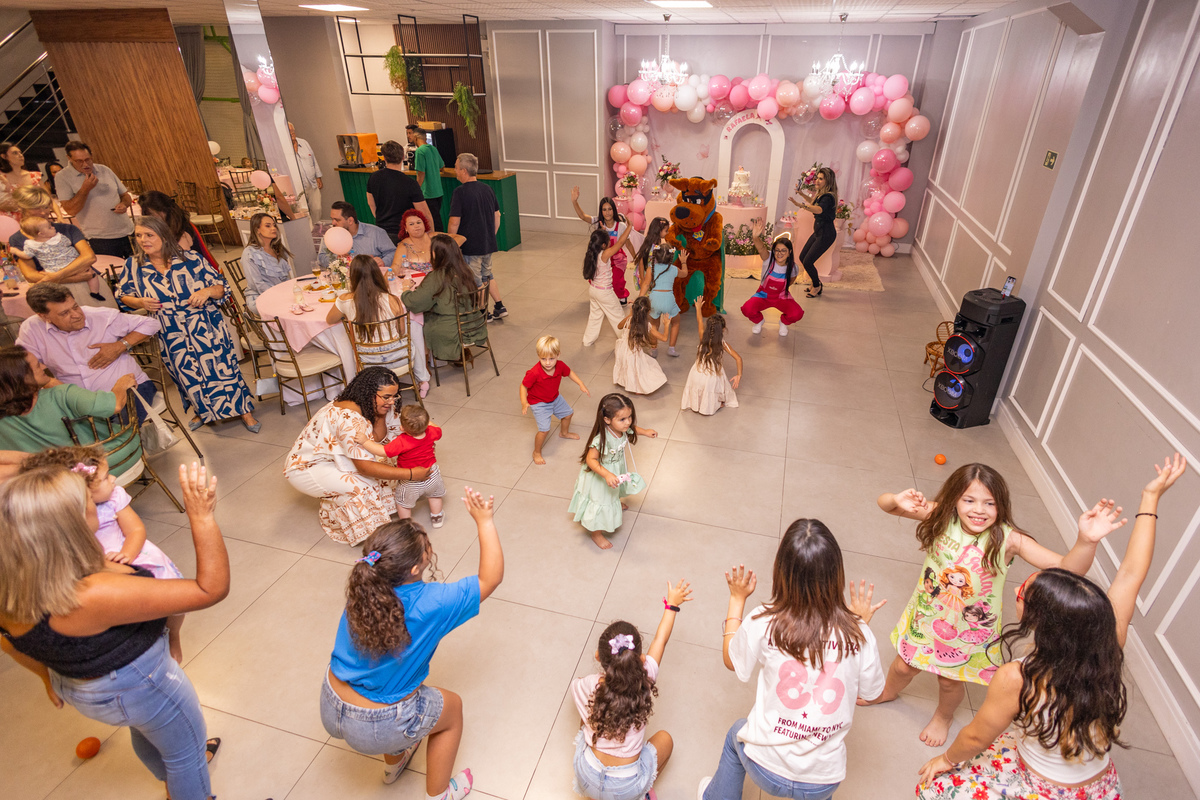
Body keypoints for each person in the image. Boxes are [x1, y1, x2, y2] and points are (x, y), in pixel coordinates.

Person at [916, 454, 1185, 800]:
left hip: (1042, 790)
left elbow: (975, 737)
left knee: (932, 789)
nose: (1017, 587)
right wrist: (1150, 498)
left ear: (1038, 621)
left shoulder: (1017, 676)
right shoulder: (1108, 641)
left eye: (1023, 592)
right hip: (1101, 788)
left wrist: (946, 759)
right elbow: (1132, 573)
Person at [0, 461, 228, 800]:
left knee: (145, 727)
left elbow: (9, 643)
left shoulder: (14, 584)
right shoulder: (91, 593)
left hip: (85, 687)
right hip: (141, 684)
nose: (97, 501)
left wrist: (47, 678)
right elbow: (210, 590)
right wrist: (202, 516)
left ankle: (171, 782)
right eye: (87, 500)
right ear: (76, 522)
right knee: (186, 754)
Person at [862, 464, 1127, 747]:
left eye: (989, 503)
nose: (979, 510)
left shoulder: (1009, 539)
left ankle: (943, 716)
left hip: (969, 629)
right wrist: (896, 499)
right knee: (903, 666)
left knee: (949, 681)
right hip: (927, 616)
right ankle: (887, 692)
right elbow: (885, 505)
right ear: (954, 499)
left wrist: (1086, 541)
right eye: (969, 500)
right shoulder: (940, 515)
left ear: (1001, 504)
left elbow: (1067, 569)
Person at [322, 489, 501, 795]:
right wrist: (484, 521)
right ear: (416, 569)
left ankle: (394, 765)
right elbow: (490, 578)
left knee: (391, 687)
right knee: (452, 709)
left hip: (330, 703)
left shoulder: (363, 590)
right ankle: (440, 794)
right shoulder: (433, 602)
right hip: (378, 727)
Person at [698, 520, 887, 800]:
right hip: (823, 782)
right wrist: (858, 627)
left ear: (782, 571)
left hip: (764, 769)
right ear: (836, 573)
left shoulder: (764, 620)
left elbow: (731, 660)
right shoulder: (859, 634)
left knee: (735, 735)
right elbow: (872, 693)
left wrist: (737, 599)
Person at [19, 445, 187, 661]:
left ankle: (173, 634)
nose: (114, 479)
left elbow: (135, 530)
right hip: (97, 571)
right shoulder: (62, 517)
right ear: (84, 493)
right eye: (106, 477)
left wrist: (127, 555)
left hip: (133, 555)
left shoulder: (115, 497)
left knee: (173, 600)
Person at [117, 216, 259, 434]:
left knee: (224, 370)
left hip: (206, 328)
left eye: (149, 235)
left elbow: (222, 287)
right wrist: (140, 302)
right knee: (187, 375)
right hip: (169, 332)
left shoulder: (191, 259)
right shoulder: (134, 266)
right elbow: (122, 296)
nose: (143, 240)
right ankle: (203, 411)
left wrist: (207, 291)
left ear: (163, 236)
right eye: (139, 235)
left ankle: (244, 411)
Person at [284, 367, 432, 546]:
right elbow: (365, 468)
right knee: (362, 485)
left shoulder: (371, 404)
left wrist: (383, 414)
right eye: (387, 397)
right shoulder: (348, 420)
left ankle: (371, 503)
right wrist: (411, 474)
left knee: (397, 455)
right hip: (308, 467)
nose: (392, 401)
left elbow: (379, 437)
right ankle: (337, 513)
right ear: (369, 393)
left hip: (335, 457)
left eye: (395, 396)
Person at [572, 582, 692, 800]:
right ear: (641, 659)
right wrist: (671, 606)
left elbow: (577, 685)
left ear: (598, 657)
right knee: (665, 739)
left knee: (588, 712)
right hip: (626, 787)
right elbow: (661, 639)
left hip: (586, 775)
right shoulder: (646, 677)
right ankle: (638, 795)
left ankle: (593, 796)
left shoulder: (588, 685)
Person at [17, 282, 160, 413]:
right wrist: (49, 382)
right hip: (75, 399)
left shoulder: (101, 316)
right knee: (45, 424)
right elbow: (21, 365)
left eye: (75, 306)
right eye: (65, 313)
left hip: (130, 388)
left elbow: (151, 324)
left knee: (116, 424)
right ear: (44, 317)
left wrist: (120, 345)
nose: (77, 315)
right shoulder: (32, 328)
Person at [0, 346, 140, 476]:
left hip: (52, 480)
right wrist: (121, 385)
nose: (44, 366)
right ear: (23, 377)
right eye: (37, 365)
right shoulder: (61, 394)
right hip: (109, 461)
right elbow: (115, 405)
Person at [326, 253, 431, 398]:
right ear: (377, 274)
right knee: (412, 341)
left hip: (368, 360)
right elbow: (401, 331)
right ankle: (423, 380)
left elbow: (330, 320)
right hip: (398, 358)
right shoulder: (392, 299)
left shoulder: (344, 300)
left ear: (352, 277)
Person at [568, 392, 657, 550]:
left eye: (629, 417)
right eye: (622, 419)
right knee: (602, 500)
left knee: (615, 489)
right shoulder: (601, 439)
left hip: (616, 468)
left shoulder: (623, 428)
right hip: (602, 474)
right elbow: (590, 459)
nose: (628, 422)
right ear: (607, 419)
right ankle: (596, 533)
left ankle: (615, 501)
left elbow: (632, 429)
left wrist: (645, 431)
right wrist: (607, 474)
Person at [7, 187, 108, 308]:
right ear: (21, 208)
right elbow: (30, 275)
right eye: (36, 208)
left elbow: (89, 257)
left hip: (89, 284)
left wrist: (56, 276)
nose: (43, 212)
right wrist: (74, 278)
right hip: (55, 293)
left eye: (46, 207)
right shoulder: (17, 239)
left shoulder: (67, 229)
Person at [353, 403, 445, 528]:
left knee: (403, 503)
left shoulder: (402, 441)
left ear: (402, 428)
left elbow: (381, 451)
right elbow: (437, 428)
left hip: (410, 479)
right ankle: (437, 518)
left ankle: (407, 525)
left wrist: (365, 441)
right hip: (432, 473)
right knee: (435, 495)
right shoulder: (432, 432)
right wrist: (426, 423)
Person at [400, 235, 485, 365]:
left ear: (436, 254)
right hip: (473, 324)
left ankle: (423, 364)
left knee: (417, 322)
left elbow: (415, 302)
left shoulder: (437, 276)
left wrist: (406, 289)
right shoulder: (465, 270)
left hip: (450, 330)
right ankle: (460, 354)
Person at [447, 153, 508, 321]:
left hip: (470, 246)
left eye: (456, 168)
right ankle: (499, 306)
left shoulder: (460, 192)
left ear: (464, 170)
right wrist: (490, 235)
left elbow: (454, 221)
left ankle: (483, 312)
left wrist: (452, 242)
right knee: (487, 274)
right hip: (487, 244)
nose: (455, 171)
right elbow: (497, 215)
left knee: (475, 280)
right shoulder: (487, 189)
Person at [56, 142, 135, 259]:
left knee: (140, 266)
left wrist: (124, 204)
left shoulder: (104, 169)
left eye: (87, 159)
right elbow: (70, 210)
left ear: (91, 155)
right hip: (100, 238)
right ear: (69, 158)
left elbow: (125, 195)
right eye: (79, 161)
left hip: (127, 231)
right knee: (114, 269)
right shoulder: (62, 177)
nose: (85, 164)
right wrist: (85, 189)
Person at [520, 335, 591, 466]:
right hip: (539, 403)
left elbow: (569, 372)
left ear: (558, 355)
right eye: (543, 359)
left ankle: (564, 433)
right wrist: (524, 402)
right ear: (538, 356)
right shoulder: (534, 373)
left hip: (554, 397)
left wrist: (580, 383)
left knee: (568, 414)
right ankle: (536, 452)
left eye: (551, 358)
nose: (548, 363)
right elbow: (523, 386)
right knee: (544, 430)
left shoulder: (560, 366)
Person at [12, 216, 106, 301]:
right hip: (72, 264)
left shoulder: (31, 244)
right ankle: (95, 292)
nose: (53, 227)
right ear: (41, 233)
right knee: (91, 274)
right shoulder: (59, 237)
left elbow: (26, 255)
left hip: (52, 270)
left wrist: (15, 251)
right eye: (50, 227)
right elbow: (68, 243)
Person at [572, 186, 637, 305]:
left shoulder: (621, 226)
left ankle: (622, 297)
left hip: (617, 260)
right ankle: (605, 297)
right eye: (604, 210)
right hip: (602, 259)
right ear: (601, 211)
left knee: (616, 280)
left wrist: (636, 258)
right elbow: (583, 216)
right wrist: (574, 201)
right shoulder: (598, 222)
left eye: (610, 209)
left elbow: (628, 244)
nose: (607, 212)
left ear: (614, 210)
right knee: (595, 279)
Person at [741, 221, 804, 336]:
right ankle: (759, 321)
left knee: (797, 314)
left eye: (784, 250)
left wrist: (781, 291)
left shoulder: (793, 267)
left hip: (781, 296)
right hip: (763, 295)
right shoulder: (768, 259)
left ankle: (783, 322)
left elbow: (791, 281)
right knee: (747, 309)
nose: (780, 253)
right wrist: (755, 237)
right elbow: (761, 248)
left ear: (789, 252)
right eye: (777, 250)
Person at [636, 217, 687, 355]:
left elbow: (645, 284)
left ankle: (653, 349)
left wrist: (640, 299)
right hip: (669, 300)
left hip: (654, 299)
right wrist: (683, 262)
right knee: (676, 322)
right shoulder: (673, 269)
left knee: (654, 324)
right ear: (671, 258)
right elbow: (685, 274)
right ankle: (671, 348)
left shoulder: (651, 269)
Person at [682, 297, 742, 415]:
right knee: (716, 384)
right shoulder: (723, 344)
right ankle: (715, 404)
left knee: (700, 386)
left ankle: (696, 404)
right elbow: (738, 358)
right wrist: (739, 375)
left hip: (696, 374)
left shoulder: (702, 337)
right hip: (711, 378)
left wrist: (698, 308)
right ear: (723, 330)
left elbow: (699, 321)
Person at [367, 140, 432, 245]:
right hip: (403, 233)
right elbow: (425, 213)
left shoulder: (374, 177)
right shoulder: (410, 183)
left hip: (381, 231)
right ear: (403, 157)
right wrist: (430, 236)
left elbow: (371, 203)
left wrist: (381, 218)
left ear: (384, 158)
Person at [788, 167, 838, 298]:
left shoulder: (828, 197)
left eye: (821, 179)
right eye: (817, 178)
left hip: (826, 234)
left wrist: (800, 205)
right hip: (819, 232)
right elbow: (814, 202)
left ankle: (816, 285)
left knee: (808, 261)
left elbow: (819, 209)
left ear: (828, 181)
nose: (817, 181)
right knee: (803, 257)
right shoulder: (822, 194)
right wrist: (801, 194)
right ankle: (816, 283)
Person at [138, 190, 217, 268]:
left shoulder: (181, 231)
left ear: (162, 211)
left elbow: (184, 263)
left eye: (150, 215)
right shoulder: (170, 223)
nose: (149, 220)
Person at [582, 227, 631, 348]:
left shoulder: (592, 254)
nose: (611, 242)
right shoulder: (604, 255)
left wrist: (602, 230)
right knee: (618, 316)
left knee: (595, 316)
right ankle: (626, 342)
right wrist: (629, 227)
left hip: (593, 290)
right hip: (605, 292)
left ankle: (587, 340)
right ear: (604, 245)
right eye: (609, 240)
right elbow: (620, 242)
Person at [240, 212, 294, 315]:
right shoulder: (249, 253)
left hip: (280, 293)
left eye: (274, 225)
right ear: (257, 230)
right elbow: (257, 284)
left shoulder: (277, 248)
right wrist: (281, 297)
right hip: (260, 297)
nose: (273, 228)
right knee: (292, 309)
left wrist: (291, 291)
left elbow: (284, 278)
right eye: (268, 226)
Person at [614, 296, 668, 395]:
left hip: (621, 349)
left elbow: (619, 326)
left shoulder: (629, 319)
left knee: (627, 365)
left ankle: (624, 381)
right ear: (648, 311)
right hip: (632, 353)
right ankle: (637, 388)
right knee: (638, 368)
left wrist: (629, 315)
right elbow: (664, 338)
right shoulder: (647, 326)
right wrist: (667, 325)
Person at [318, 200, 397, 269]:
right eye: (332, 219)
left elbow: (393, 252)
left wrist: (383, 262)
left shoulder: (375, 232)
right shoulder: (332, 235)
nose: (333, 223)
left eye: (337, 220)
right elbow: (321, 257)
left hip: (371, 276)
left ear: (350, 221)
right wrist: (337, 259)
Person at [393, 207, 465, 272]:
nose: (416, 226)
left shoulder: (433, 236)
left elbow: (461, 238)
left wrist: (445, 250)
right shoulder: (404, 245)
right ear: (406, 228)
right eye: (411, 224)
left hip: (441, 279)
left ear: (424, 224)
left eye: (419, 222)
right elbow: (395, 267)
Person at [406, 124, 446, 231]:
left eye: (410, 134)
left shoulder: (420, 151)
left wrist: (416, 189)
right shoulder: (433, 149)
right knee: (436, 218)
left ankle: (437, 239)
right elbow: (442, 166)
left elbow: (421, 173)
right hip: (438, 191)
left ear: (416, 137)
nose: (409, 136)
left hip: (427, 192)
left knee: (431, 221)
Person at [289, 122, 323, 220]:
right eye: (289, 131)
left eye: (292, 130)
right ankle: (308, 229)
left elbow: (313, 159)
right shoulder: (283, 147)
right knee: (303, 211)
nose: (292, 133)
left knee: (317, 208)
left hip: (311, 183)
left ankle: (316, 226)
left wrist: (318, 177)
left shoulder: (304, 142)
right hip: (296, 187)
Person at [0, 141, 42, 213]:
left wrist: (59, 216)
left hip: (32, 216)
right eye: (15, 153)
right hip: (7, 216)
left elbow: (48, 199)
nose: (20, 155)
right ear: (4, 156)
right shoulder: (1, 177)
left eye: (20, 152)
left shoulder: (34, 176)